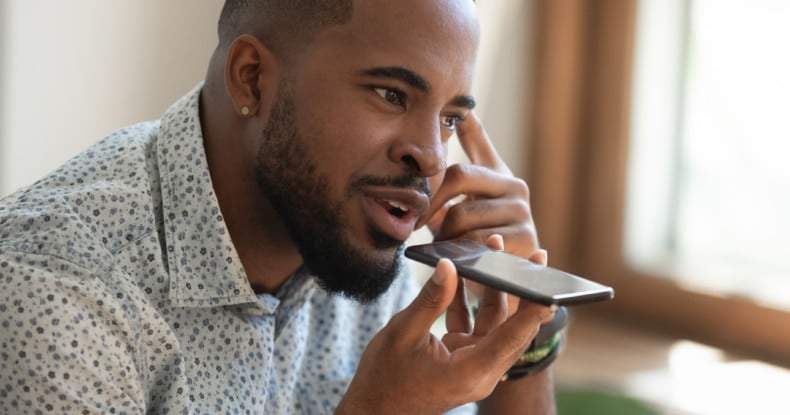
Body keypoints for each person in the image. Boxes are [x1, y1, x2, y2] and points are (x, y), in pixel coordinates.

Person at [0, 0, 564, 413]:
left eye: (450, 119)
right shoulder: (53, 288)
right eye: (391, 94)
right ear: (252, 78)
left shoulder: (362, 238)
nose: (431, 158)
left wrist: (524, 324)